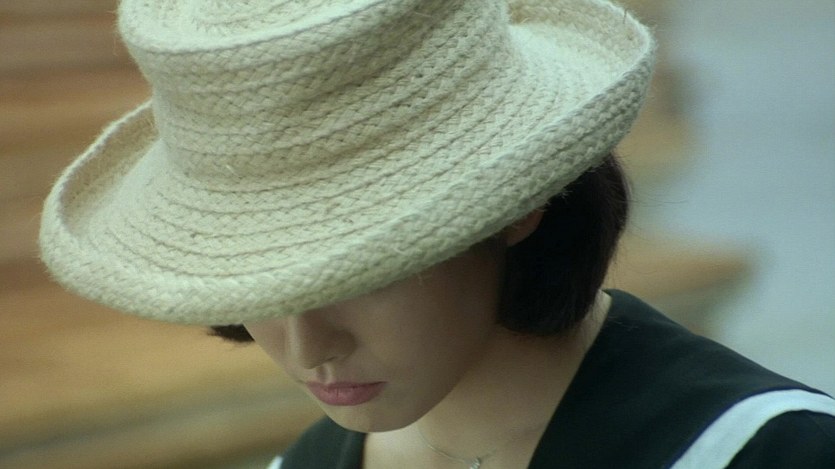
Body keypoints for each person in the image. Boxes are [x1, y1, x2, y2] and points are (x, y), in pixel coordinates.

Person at [39, 0, 835, 467]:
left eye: (357, 267)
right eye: (256, 273)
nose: (308, 342)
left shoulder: (767, 452)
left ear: (516, 200)